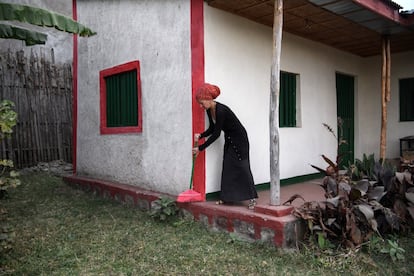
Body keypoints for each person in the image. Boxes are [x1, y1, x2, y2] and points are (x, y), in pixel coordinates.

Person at [192, 83, 258, 209]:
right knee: (228, 166)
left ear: (209, 99)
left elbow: (217, 134)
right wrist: (201, 135)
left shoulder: (221, 110)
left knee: (242, 166)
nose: (201, 106)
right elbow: (212, 128)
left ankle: (252, 198)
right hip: (229, 138)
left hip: (239, 139)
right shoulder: (209, 110)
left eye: (202, 103)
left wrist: (200, 148)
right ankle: (227, 198)